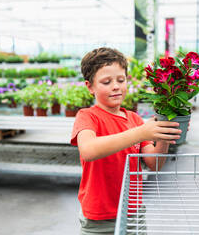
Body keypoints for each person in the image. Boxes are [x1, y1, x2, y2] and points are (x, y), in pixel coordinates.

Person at [71, 47, 181, 234]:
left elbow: (154, 164)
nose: (115, 86)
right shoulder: (87, 117)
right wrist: (141, 133)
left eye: (121, 80)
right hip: (99, 217)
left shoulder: (134, 119)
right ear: (90, 87)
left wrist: (163, 134)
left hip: (133, 212)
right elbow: (88, 151)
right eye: (106, 82)